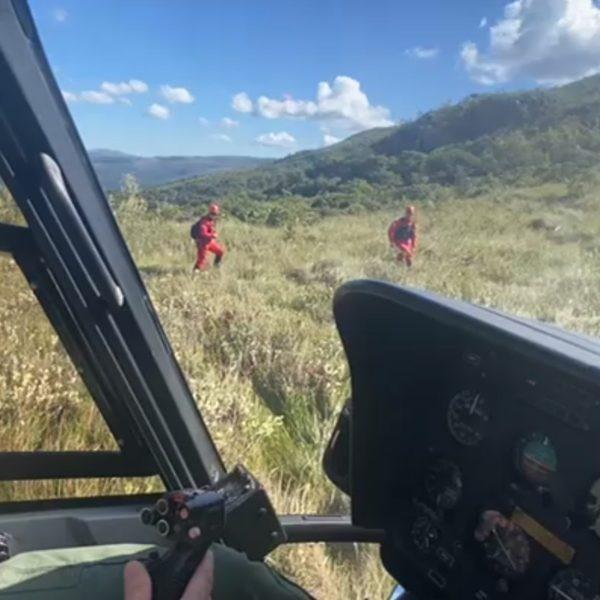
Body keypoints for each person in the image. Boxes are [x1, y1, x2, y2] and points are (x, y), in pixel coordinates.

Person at [193, 203, 225, 271]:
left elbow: (211, 230)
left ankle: (216, 268)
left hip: (209, 242)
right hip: (203, 243)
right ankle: (194, 274)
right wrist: (212, 235)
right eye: (214, 214)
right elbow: (202, 233)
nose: (215, 216)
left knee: (220, 251)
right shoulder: (204, 221)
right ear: (210, 213)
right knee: (201, 260)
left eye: (216, 214)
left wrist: (213, 233)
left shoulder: (211, 220)